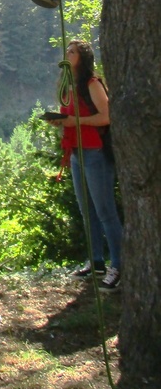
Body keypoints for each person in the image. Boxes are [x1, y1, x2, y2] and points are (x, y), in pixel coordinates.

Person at [45, 39, 122, 290]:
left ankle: (119, 266)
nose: (67, 53)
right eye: (67, 50)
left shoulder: (92, 84)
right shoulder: (69, 86)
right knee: (87, 211)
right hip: (77, 153)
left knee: (105, 212)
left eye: (72, 51)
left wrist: (73, 121)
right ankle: (96, 262)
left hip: (95, 153)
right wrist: (61, 122)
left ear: (83, 57)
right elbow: (71, 118)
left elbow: (105, 117)